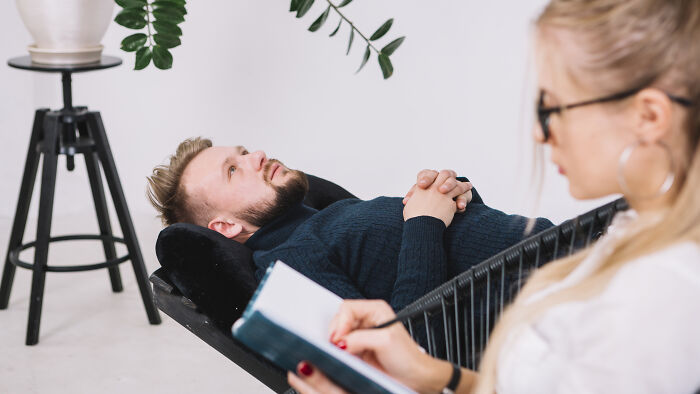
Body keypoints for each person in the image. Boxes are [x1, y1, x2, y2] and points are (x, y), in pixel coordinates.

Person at [287, 0, 700, 393]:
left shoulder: (659, 291)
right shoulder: (637, 231)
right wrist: (429, 375)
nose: (540, 133)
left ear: (648, 117)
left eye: (552, 108)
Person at [147, 139, 552, 312]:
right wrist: (426, 221)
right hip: (561, 305)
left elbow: (457, 254)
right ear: (226, 226)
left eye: (244, 150)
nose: (258, 154)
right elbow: (406, 348)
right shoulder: (289, 263)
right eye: (234, 169)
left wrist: (456, 197)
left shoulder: (331, 217)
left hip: (575, 252)